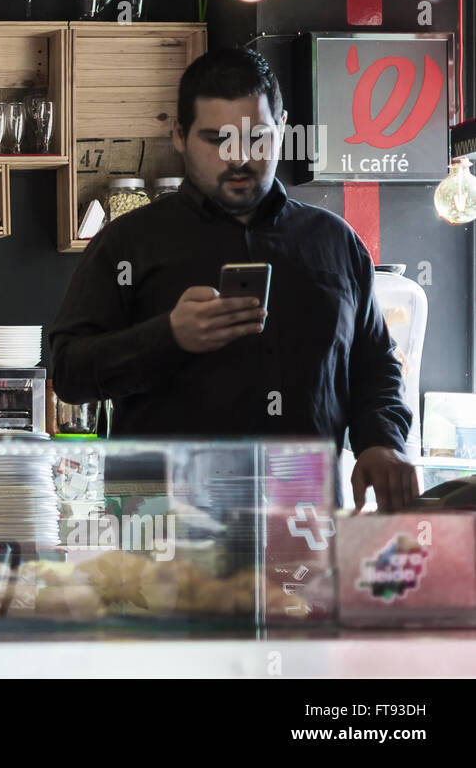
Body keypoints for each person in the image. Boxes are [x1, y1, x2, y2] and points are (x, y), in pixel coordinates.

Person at [49, 48, 415, 512]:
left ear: (281, 128)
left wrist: (381, 441)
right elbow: (68, 372)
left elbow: (375, 365)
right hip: (165, 532)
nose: (239, 157)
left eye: (257, 137)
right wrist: (168, 337)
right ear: (179, 136)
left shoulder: (335, 242)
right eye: (217, 138)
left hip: (303, 524)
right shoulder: (126, 244)